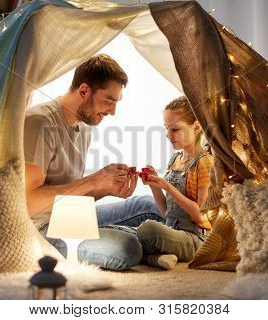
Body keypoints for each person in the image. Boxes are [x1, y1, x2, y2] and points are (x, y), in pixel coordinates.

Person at [24, 54, 162, 270]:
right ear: (84, 91)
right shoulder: (39, 123)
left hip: (71, 215)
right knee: (127, 248)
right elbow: (30, 202)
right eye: (109, 100)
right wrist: (93, 180)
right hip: (42, 230)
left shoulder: (85, 128)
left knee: (150, 207)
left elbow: (71, 196)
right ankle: (146, 244)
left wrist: (104, 188)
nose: (113, 112)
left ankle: (148, 242)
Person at [136, 96, 213, 270]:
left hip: (194, 238)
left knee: (148, 231)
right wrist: (154, 185)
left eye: (175, 129)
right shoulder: (174, 160)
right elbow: (166, 212)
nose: (168, 135)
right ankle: (158, 258)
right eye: (166, 128)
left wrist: (167, 186)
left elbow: (200, 216)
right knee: (123, 233)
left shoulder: (204, 163)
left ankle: (151, 256)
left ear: (196, 126)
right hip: (170, 229)